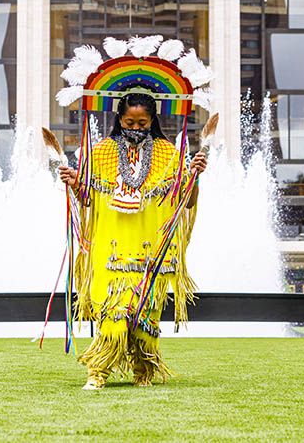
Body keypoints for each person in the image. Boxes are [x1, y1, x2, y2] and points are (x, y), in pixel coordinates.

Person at [59, 92, 207, 389]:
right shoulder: (101, 151)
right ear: (119, 119)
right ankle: (97, 371)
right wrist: (75, 183)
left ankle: (144, 371)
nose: (136, 127)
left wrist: (194, 176)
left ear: (152, 121)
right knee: (112, 313)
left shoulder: (168, 153)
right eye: (129, 121)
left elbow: (185, 203)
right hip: (110, 244)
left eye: (142, 122)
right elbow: (87, 199)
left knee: (146, 315)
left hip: (151, 247)